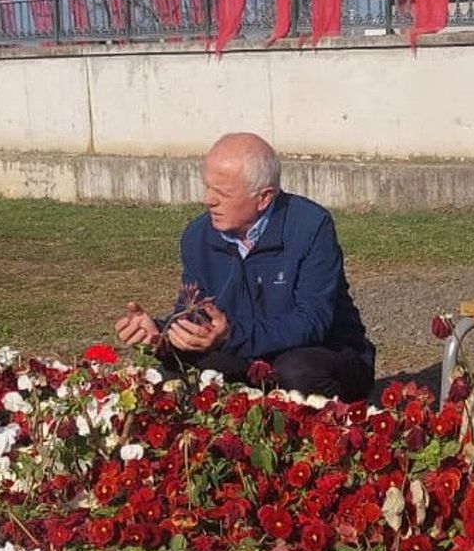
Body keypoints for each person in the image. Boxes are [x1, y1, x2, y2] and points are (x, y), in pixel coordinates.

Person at [114, 132, 375, 402]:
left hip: (323, 353)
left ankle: (333, 419)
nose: (208, 200)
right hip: (245, 351)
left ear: (264, 198)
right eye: (207, 187)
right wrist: (162, 334)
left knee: (295, 372)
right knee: (179, 370)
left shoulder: (310, 226)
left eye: (222, 193)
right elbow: (195, 313)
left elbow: (312, 321)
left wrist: (231, 335)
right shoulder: (198, 236)